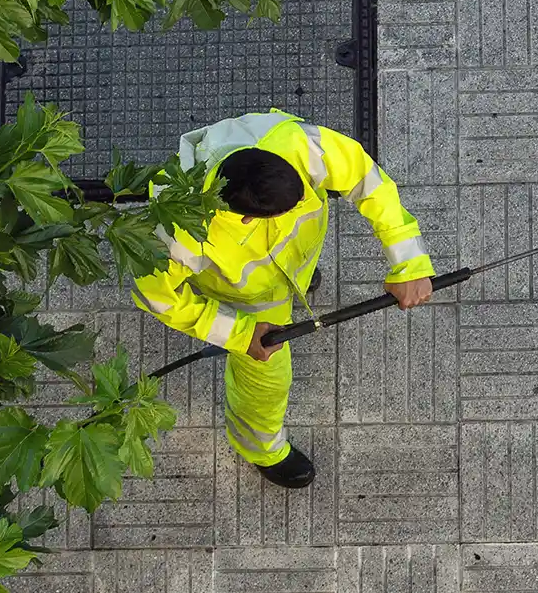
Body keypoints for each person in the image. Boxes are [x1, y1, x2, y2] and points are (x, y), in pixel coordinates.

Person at [133, 109, 434, 488]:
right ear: (244, 219)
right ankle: (261, 448)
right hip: (249, 301)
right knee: (267, 383)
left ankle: (298, 284)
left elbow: (365, 178)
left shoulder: (296, 144)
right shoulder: (178, 233)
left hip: (295, 266)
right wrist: (241, 334)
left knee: (302, 278)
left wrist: (409, 263)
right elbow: (157, 297)